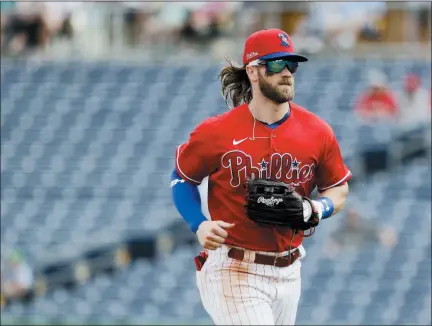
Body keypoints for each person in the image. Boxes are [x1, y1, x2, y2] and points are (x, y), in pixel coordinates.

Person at [171, 28, 351, 325]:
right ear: (253, 72)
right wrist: (198, 223)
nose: (287, 73)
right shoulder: (216, 132)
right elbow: (181, 178)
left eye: (291, 64)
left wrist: (315, 208)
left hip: (290, 270)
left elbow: (338, 188)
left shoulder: (318, 132)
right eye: (277, 64)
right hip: (234, 267)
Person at [323, 208, 398, 259]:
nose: (353, 219)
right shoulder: (339, 232)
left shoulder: (369, 228)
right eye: (350, 217)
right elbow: (330, 251)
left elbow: (386, 235)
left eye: (354, 217)